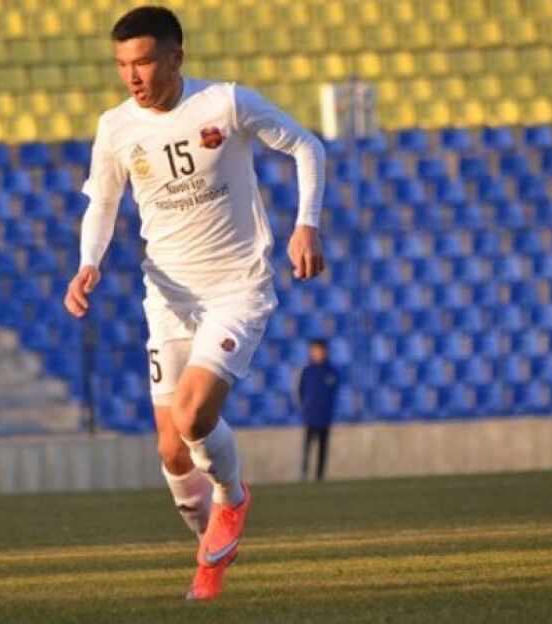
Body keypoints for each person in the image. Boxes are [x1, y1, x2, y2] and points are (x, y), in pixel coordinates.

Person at [62, 6, 327, 601]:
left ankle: (232, 499)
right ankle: (208, 563)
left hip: (236, 289)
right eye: (122, 65)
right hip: (167, 297)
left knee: (192, 417)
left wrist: (306, 224)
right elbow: (102, 203)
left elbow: (307, 146)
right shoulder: (116, 127)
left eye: (143, 61)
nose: (132, 76)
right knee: (170, 449)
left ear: (176, 57)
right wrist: (88, 263)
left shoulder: (225, 103)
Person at [296, 339, 340, 482]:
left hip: (324, 415)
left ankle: (319, 476)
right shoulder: (307, 371)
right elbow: (301, 390)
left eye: (318, 350)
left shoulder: (330, 371)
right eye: (313, 350)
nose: (316, 353)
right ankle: (303, 474)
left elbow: (333, 390)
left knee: (322, 447)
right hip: (310, 415)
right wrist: (305, 406)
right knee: (307, 446)